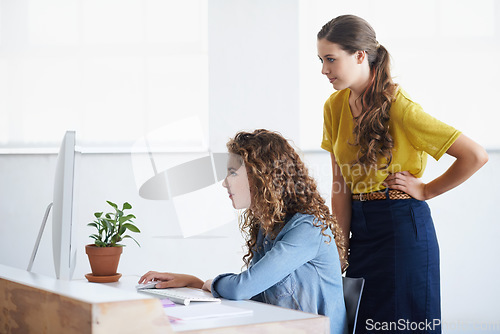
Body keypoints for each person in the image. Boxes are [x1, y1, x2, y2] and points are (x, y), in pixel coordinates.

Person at [317, 14, 488, 334]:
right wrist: (339, 247)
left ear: (359, 56)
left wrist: (426, 190)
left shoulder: (400, 106)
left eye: (330, 59)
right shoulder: (334, 106)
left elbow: (475, 155)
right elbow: (339, 185)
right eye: (321, 60)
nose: (324, 69)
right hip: (362, 233)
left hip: (401, 227)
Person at [139, 129, 348, 334]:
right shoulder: (266, 228)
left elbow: (243, 288)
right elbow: (255, 293)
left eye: (232, 173)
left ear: (262, 176)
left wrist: (208, 284)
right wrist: (195, 283)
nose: (224, 183)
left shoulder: (307, 229)